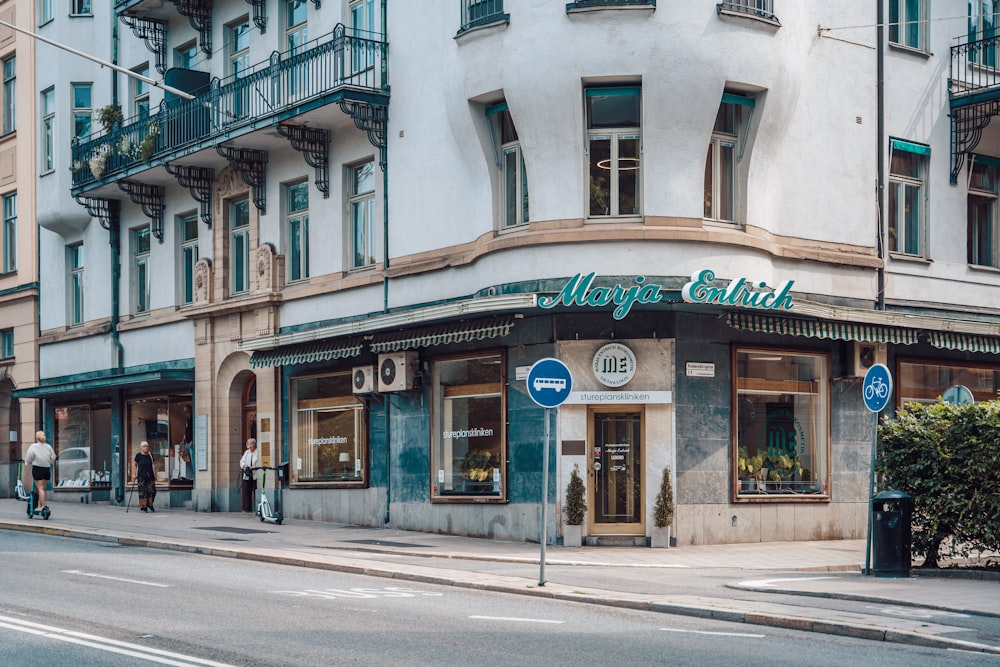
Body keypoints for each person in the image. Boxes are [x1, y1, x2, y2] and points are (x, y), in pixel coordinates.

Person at [24, 431, 57, 511]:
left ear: (36, 437)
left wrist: (27, 462)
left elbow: (29, 457)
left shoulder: (34, 446)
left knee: (40, 488)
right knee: (43, 488)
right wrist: (49, 462)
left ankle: (43, 506)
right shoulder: (48, 446)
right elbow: (53, 457)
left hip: (38, 469)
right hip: (46, 469)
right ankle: (40, 505)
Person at [132, 441, 157, 513]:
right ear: (141, 448)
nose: (146, 448)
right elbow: (134, 465)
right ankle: (144, 507)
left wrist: (155, 474)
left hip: (150, 476)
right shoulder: (138, 455)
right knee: (143, 492)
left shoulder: (150, 455)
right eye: (144, 446)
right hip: (141, 476)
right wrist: (134, 475)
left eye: (147, 446)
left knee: (152, 491)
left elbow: (154, 465)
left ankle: (150, 504)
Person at [239, 438, 260, 513]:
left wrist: (255, 466)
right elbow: (241, 461)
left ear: (254, 444)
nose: (249, 446)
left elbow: (259, 461)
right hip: (248, 475)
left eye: (251, 444)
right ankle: (248, 508)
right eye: (248, 444)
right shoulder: (247, 452)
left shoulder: (258, 452)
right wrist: (244, 465)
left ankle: (257, 508)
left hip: (255, 474)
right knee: (248, 491)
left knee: (255, 490)